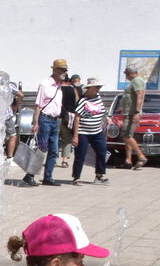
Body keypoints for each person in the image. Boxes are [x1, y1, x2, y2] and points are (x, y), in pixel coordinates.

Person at [23, 58, 67, 186]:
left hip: (55, 121)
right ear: (55, 70)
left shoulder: (59, 87)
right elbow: (38, 105)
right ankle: (29, 175)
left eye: (65, 70)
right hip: (45, 119)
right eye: (62, 70)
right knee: (42, 149)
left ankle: (48, 177)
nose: (64, 72)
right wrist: (35, 122)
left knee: (53, 150)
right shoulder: (45, 84)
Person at [71, 77, 109, 185]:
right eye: (97, 87)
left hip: (97, 131)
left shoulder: (98, 98)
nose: (99, 89)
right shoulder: (83, 101)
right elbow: (77, 118)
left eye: (99, 87)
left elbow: (102, 113)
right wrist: (75, 136)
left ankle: (99, 175)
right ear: (89, 88)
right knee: (80, 155)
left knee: (102, 151)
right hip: (83, 132)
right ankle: (76, 177)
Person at [121, 64, 147, 170]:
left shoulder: (137, 81)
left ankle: (141, 156)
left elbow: (139, 96)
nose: (125, 74)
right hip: (128, 113)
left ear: (131, 73)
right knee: (127, 136)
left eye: (126, 72)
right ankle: (128, 160)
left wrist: (136, 112)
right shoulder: (133, 82)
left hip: (132, 114)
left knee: (126, 135)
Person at [57, 74, 81, 168]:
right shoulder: (73, 89)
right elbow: (77, 102)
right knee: (66, 139)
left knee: (54, 138)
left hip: (56, 115)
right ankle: (64, 161)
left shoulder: (57, 88)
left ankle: (52, 158)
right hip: (69, 117)